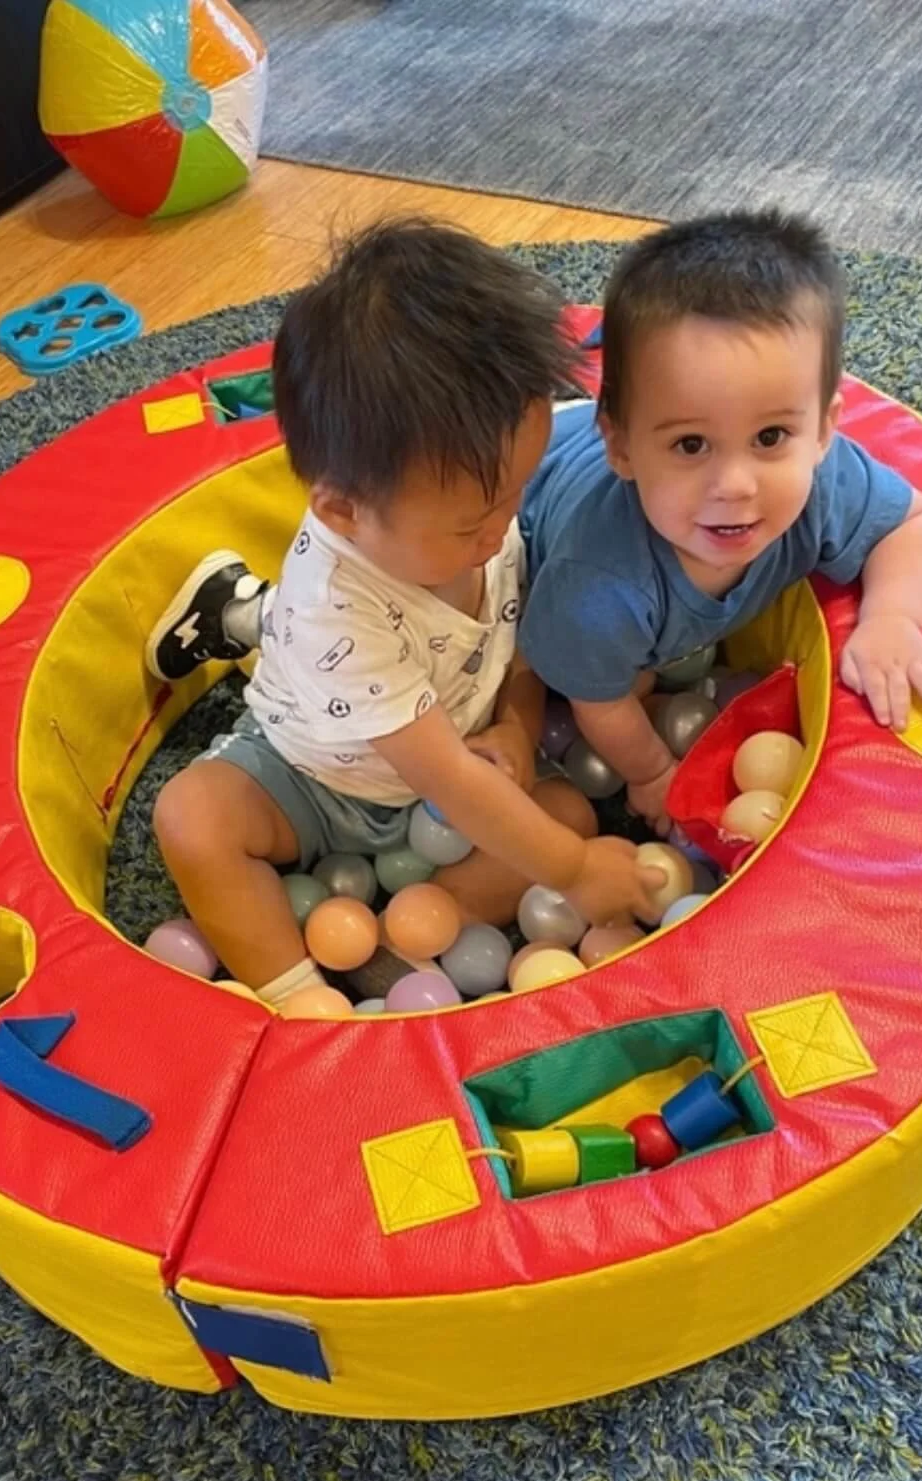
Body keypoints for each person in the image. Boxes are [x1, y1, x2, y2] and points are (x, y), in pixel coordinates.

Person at [148, 220, 661, 1006]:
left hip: (454, 771)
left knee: (565, 810)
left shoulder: (473, 513)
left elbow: (519, 642)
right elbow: (447, 777)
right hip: (311, 778)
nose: (500, 532)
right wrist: (573, 873)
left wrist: (520, 727)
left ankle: (399, 946)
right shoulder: (337, 609)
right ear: (344, 509)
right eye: (472, 523)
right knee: (191, 817)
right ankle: (296, 990)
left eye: (514, 495)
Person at [516, 209, 922, 833]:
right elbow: (600, 701)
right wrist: (649, 772)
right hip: (530, 498)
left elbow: (913, 523)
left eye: (771, 436)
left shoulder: (822, 482)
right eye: (691, 445)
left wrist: (892, 618)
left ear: (826, 429)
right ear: (621, 447)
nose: (735, 486)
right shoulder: (595, 579)